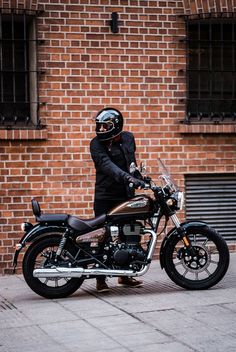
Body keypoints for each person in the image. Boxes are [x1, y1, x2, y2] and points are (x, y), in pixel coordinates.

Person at [90, 107, 145, 293]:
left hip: (126, 195)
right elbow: (108, 167)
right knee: (101, 236)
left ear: (115, 125)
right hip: (105, 196)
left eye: (105, 126)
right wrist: (129, 178)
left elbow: (132, 163)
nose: (101, 129)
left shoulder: (128, 138)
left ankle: (125, 275)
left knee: (131, 232)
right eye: (100, 126)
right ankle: (100, 280)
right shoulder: (96, 144)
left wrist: (141, 178)